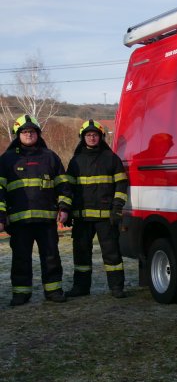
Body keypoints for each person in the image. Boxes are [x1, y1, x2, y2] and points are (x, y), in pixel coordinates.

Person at [0, 114, 72, 306]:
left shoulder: (50, 157)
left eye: (32, 131)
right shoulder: (7, 160)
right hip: (19, 221)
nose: (28, 134)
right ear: (18, 135)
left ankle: (54, 290)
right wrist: (1, 216)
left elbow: (63, 185)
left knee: (51, 257)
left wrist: (64, 208)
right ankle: (21, 294)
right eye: (24, 132)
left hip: (46, 221)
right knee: (20, 258)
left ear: (38, 134)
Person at [64, 120, 129, 299]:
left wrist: (117, 208)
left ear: (101, 137)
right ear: (83, 137)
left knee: (112, 253)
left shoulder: (111, 158)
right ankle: (81, 287)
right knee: (81, 254)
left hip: (106, 218)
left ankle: (116, 287)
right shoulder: (75, 161)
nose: (92, 138)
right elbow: (67, 188)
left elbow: (121, 184)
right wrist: (67, 210)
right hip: (82, 218)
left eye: (95, 135)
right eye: (88, 135)